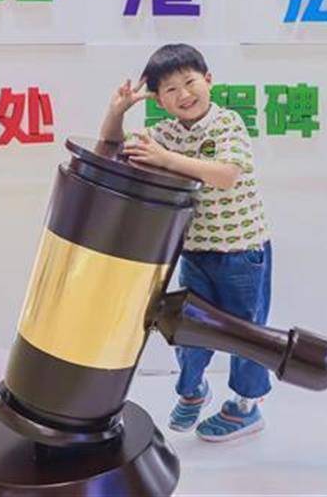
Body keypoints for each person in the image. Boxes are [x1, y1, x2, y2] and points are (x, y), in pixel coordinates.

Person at [98, 43, 272, 442]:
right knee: (187, 327)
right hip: (194, 253)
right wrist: (116, 112)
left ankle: (246, 407)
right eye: (171, 90)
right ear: (159, 101)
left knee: (247, 333)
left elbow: (226, 174)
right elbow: (112, 152)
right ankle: (193, 391)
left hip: (243, 253)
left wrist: (166, 160)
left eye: (190, 82)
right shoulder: (164, 134)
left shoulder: (227, 123)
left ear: (208, 80)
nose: (184, 94)